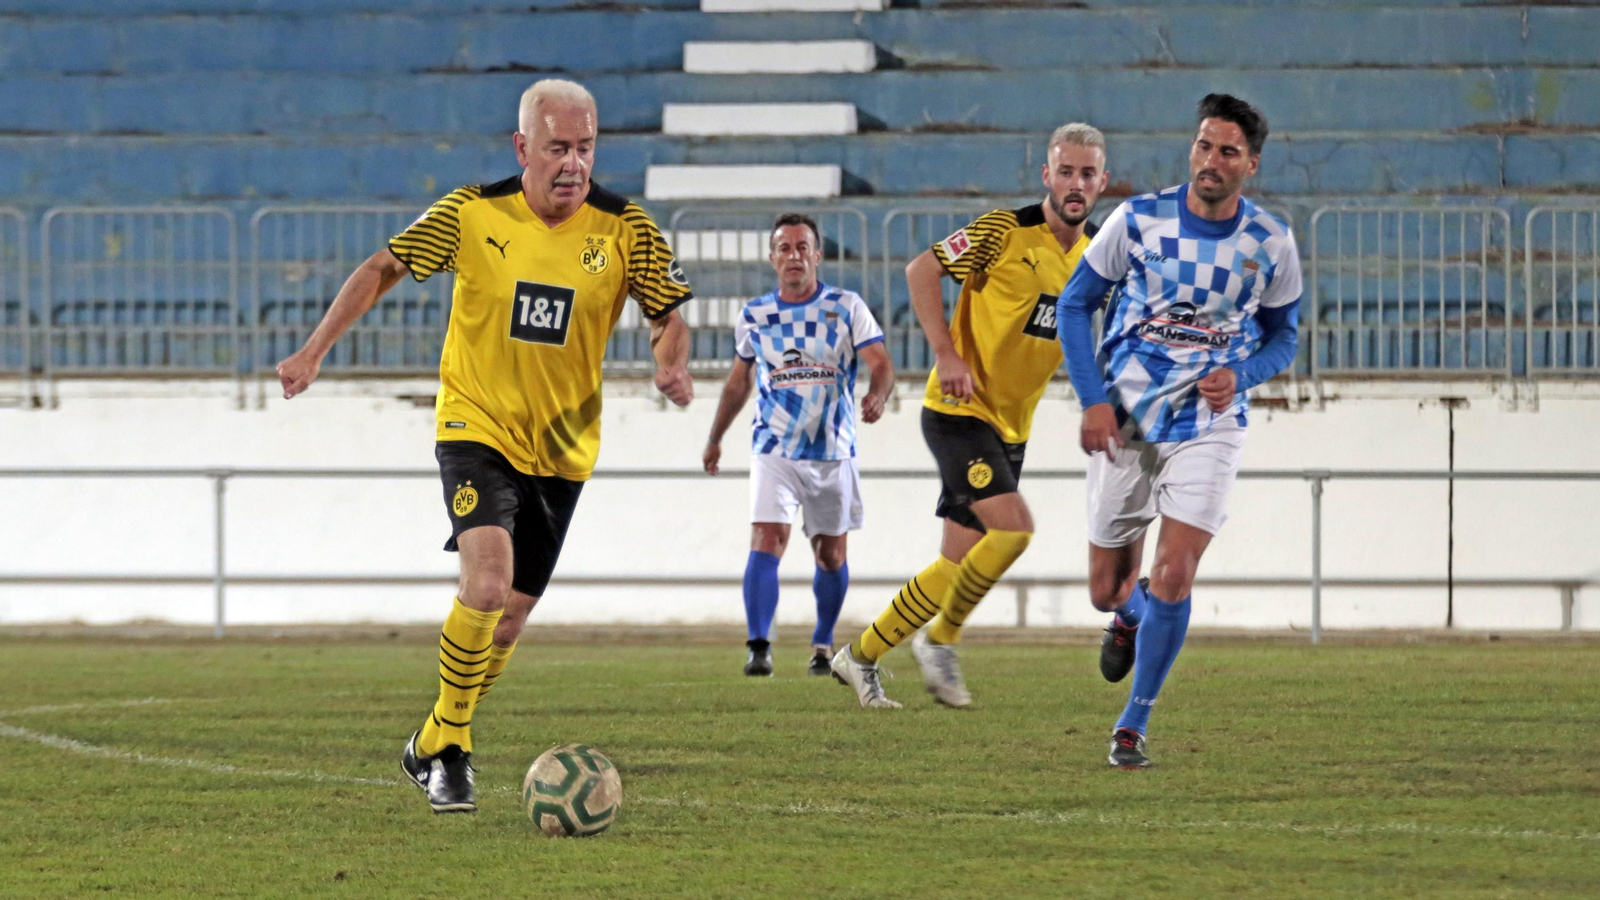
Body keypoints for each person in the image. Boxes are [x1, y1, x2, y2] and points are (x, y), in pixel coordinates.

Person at [274, 78, 694, 812]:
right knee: (488, 585)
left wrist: (671, 358)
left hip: (563, 448)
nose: (573, 163)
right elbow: (383, 267)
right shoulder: (470, 213)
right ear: (522, 145)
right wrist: (314, 350)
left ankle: (431, 739)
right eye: (558, 147)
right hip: (476, 427)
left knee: (508, 621)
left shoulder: (627, 229)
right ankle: (456, 754)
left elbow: (668, 312)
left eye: (586, 148)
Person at [1055, 93, 1302, 768]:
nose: (1210, 161)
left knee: (1173, 572)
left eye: (1227, 151)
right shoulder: (1137, 220)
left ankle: (1133, 722)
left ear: (1251, 164)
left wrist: (1244, 374)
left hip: (1209, 424)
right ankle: (1128, 616)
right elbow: (1075, 305)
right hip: (1128, 418)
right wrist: (1092, 401)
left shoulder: (1272, 242)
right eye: (1203, 145)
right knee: (1107, 588)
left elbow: (1285, 339)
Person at [830, 123, 1110, 708]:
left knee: (954, 564)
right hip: (958, 411)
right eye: (1065, 171)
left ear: (1102, 181)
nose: (1075, 183)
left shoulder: (1096, 257)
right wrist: (946, 353)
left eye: (1087, 173)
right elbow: (921, 271)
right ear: (1047, 175)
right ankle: (942, 642)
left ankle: (858, 657)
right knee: (1015, 530)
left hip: (1011, 426)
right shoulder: (1003, 230)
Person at [703, 214, 894, 678]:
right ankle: (759, 645)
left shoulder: (846, 306)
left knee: (830, 554)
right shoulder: (754, 316)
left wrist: (877, 394)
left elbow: (881, 362)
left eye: (802, 246)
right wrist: (715, 437)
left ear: (817, 254)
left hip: (832, 450)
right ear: (772, 259)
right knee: (768, 538)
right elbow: (738, 381)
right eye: (784, 248)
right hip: (774, 447)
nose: (794, 255)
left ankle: (823, 644)